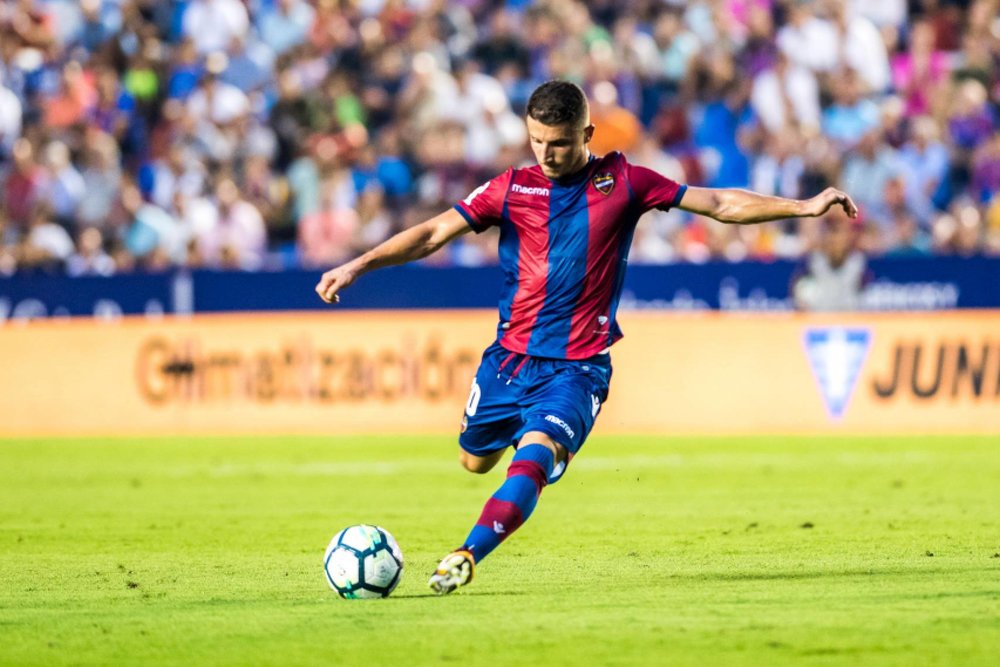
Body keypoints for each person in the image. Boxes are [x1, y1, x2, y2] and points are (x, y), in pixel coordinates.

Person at [315, 80, 857, 595]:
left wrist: (802, 207)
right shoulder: (511, 188)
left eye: (558, 143)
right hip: (507, 361)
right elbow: (434, 232)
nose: (546, 154)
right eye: (537, 141)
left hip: (577, 368)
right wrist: (358, 265)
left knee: (534, 456)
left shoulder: (624, 182)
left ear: (587, 135)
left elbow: (717, 204)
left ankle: (467, 553)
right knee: (473, 462)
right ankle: (529, 456)